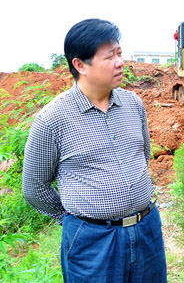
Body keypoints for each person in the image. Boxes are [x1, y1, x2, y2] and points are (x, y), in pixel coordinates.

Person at [23, 19, 167, 282]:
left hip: (147, 229)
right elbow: (35, 187)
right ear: (80, 65)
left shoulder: (133, 105)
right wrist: (76, 219)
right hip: (94, 242)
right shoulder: (52, 120)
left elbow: (142, 156)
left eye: (120, 53)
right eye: (110, 56)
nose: (120, 62)